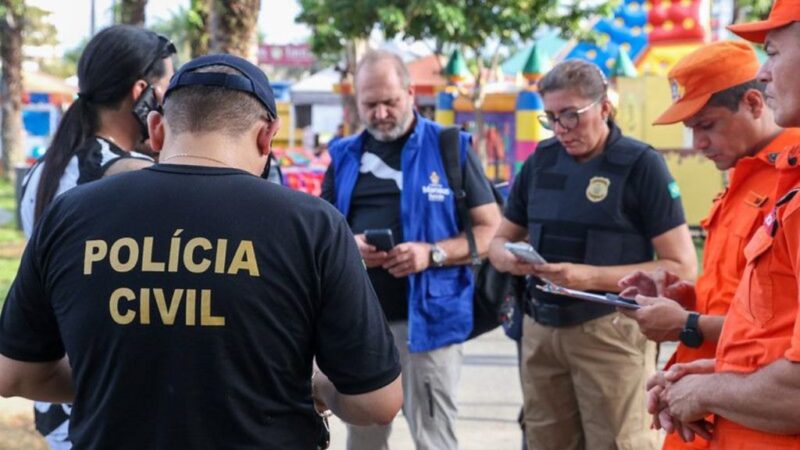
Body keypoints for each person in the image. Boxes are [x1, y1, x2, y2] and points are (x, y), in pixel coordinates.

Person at [0, 54, 403, 449]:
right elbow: (378, 401)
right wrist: (313, 385)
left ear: (157, 129)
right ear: (267, 136)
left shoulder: (71, 214)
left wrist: (114, 375)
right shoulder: (312, 225)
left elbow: (14, 375)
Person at [488, 59, 697, 450]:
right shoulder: (540, 161)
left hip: (609, 328)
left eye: (571, 115)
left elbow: (681, 265)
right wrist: (510, 258)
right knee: (545, 441)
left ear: (604, 107)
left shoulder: (640, 164)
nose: (562, 129)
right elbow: (498, 241)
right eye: (551, 118)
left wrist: (586, 277)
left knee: (619, 443)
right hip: (540, 329)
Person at [617, 40, 800, 450]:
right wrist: (685, 300)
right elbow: (752, 301)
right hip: (712, 402)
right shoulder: (744, 176)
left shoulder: (789, 179)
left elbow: (778, 337)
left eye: (707, 124)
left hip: (756, 416)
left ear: (754, 103)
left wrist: (686, 324)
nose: (697, 142)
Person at [321, 50, 501, 450]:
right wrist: (349, 248)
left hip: (431, 323)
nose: (381, 112)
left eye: (391, 101)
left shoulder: (450, 146)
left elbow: (493, 230)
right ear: (356, 100)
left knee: (434, 439)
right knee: (364, 439)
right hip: (362, 325)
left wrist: (431, 253)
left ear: (411, 92)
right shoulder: (343, 155)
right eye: (370, 104)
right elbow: (324, 234)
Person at [15, 24, 176, 450]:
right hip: (107, 401)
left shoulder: (44, 169)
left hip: (59, 397)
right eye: (167, 91)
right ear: (142, 91)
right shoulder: (129, 175)